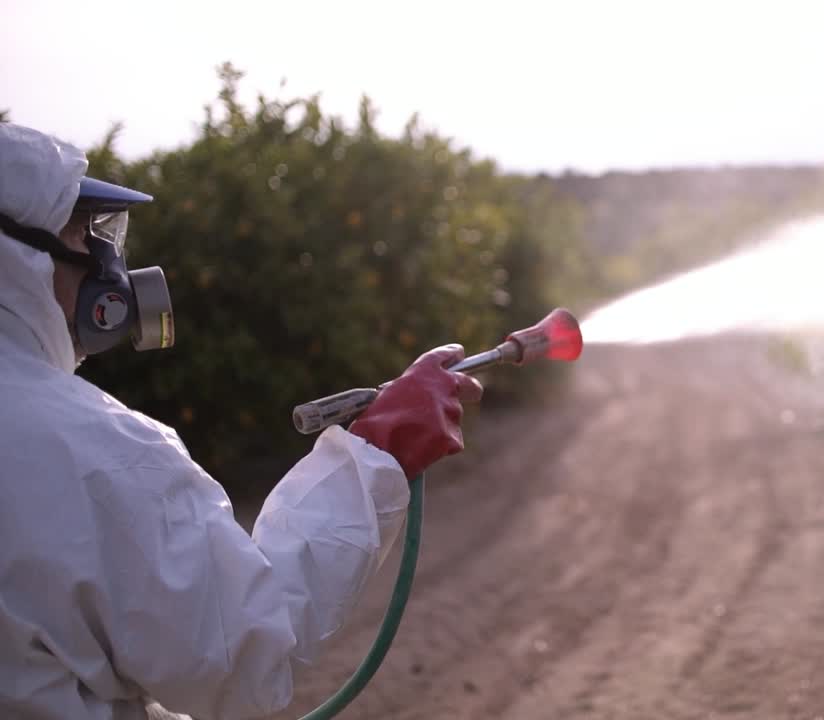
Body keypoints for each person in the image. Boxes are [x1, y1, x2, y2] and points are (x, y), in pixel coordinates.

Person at [0, 123, 483, 720]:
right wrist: (378, 452)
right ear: (22, 259)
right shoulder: (96, 453)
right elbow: (246, 655)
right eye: (87, 236)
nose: (110, 266)